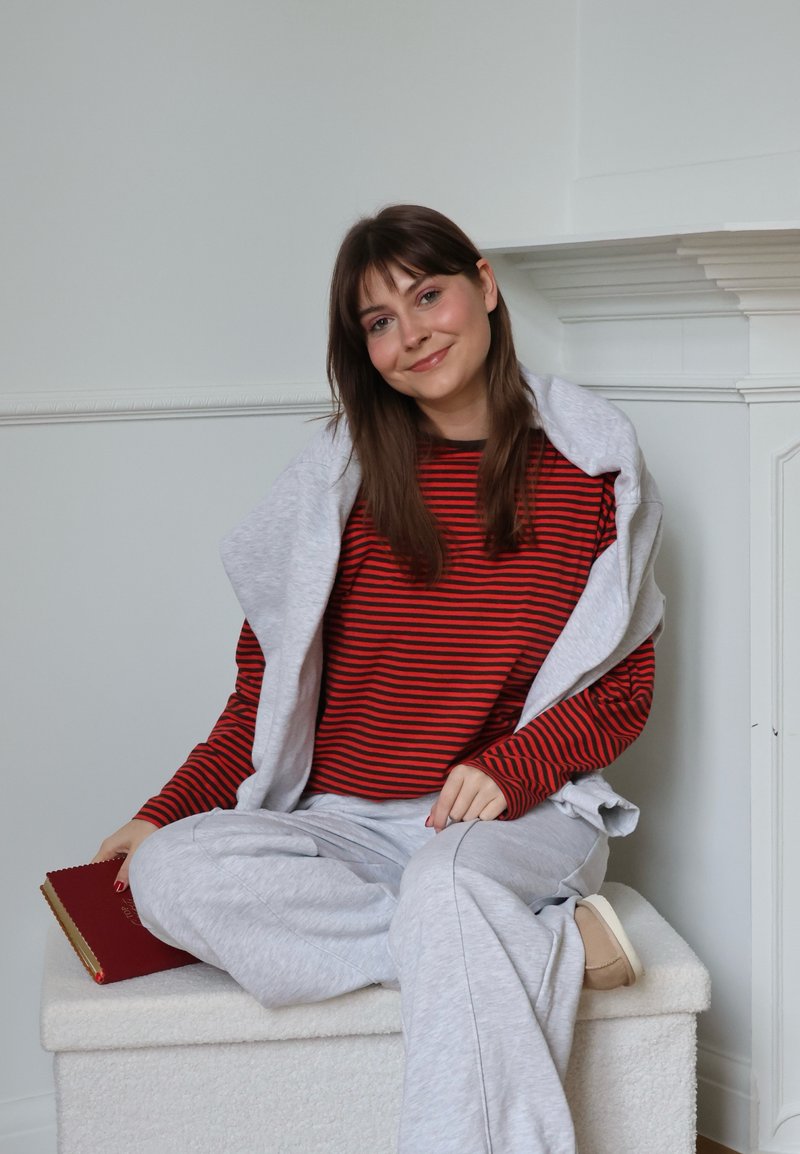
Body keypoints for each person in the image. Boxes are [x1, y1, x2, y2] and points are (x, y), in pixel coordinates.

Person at [94, 205, 663, 1153]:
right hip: (348, 823)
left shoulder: (590, 471)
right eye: (380, 321)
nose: (412, 336)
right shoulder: (337, 485)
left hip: (519, 814)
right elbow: (264, 697)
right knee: (172, 877)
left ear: (484, 285)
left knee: (449, 890)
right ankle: (549, 941)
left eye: (428, 295)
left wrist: (515, 766)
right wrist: (163, 813)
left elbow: (621, 690)